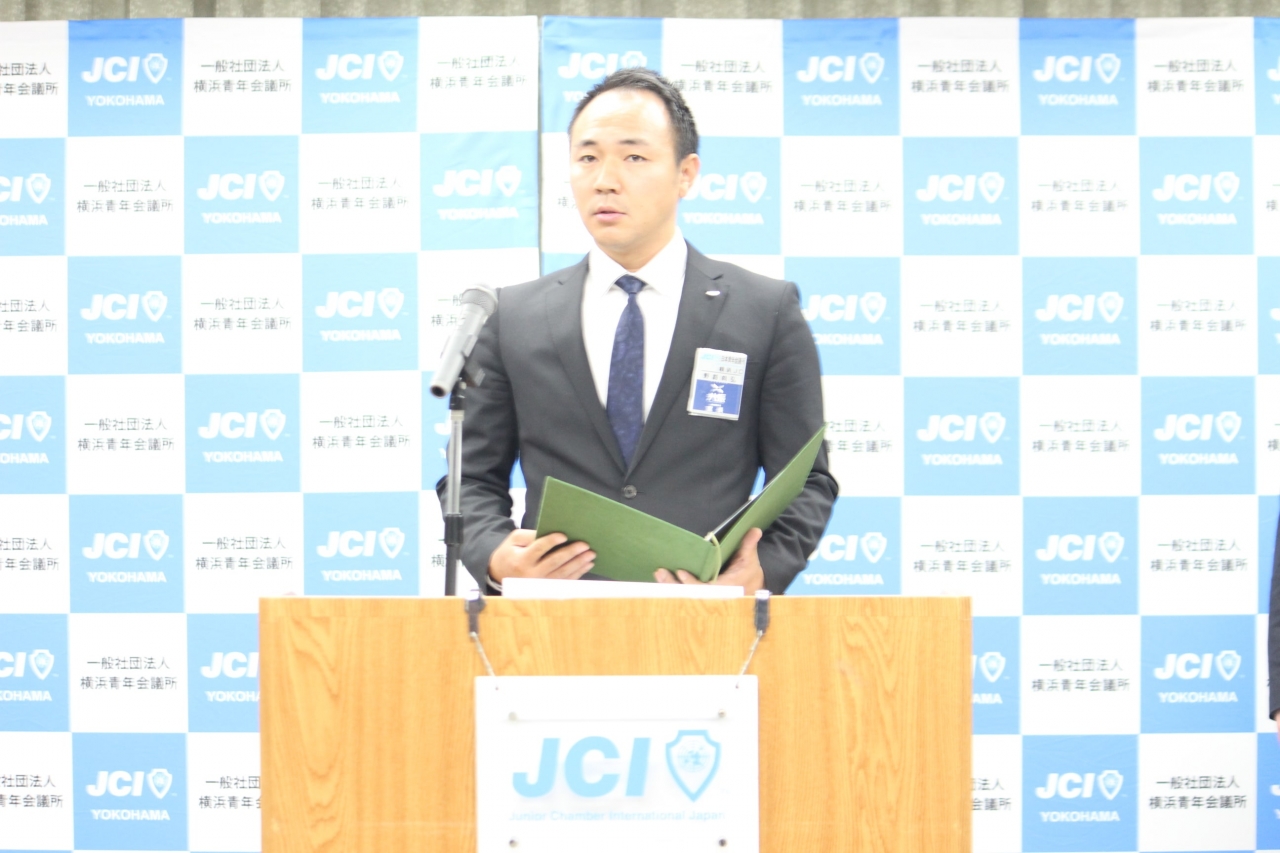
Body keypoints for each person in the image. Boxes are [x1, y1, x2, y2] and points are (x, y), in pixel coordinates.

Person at [439, 67, 837, 595]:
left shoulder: (764, 311)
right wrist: (495, 555)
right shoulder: (513, 316)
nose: (605, 179)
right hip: (552, 617)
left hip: (703, 614)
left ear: (686, 174)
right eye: (587, 158)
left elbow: (806, 479)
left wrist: (762, 567)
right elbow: (470, 478)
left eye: (633, 157)